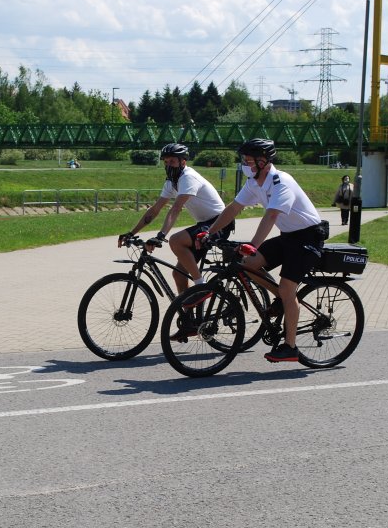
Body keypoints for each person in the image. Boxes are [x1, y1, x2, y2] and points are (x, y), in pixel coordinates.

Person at [199, 138, 327, 363]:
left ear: (263, 162)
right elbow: (234, 208)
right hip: (288, 237)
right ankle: (280, 297)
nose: (244, 164)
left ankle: (290, 347)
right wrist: (210, 232)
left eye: (248, 161)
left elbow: (271, 216)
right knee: (247, 265)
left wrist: (253, 245)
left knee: (288, 289)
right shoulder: (254, 183)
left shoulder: (281, 182)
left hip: (308, 238)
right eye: (244, 160)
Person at [118, 143, 234, 295]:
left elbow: (176, 208)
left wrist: (161, 236)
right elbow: (155, 210)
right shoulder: (172, 182)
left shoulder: (188, 177)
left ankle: (202, 287)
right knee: (179, 274)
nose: (168, 165)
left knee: (176, 240)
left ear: (183, 162)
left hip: (219, 223)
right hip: (204, 224)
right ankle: (188, 315)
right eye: (165, 162)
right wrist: (131, 233)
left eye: (172, 161)